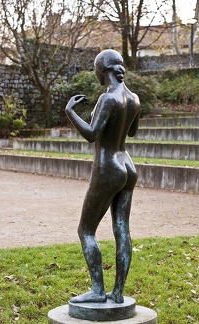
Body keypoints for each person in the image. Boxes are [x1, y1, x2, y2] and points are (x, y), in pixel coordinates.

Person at [65, 49, 140, 304]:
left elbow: (92, 134)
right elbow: (132, 133)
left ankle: (98, 290)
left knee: (86, 230)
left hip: (108, 167)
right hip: (128, 166)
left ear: (102, 70)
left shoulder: (108, 99)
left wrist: (71, 112)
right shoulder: (134, 98)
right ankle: (118, 292)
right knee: (122, 230)